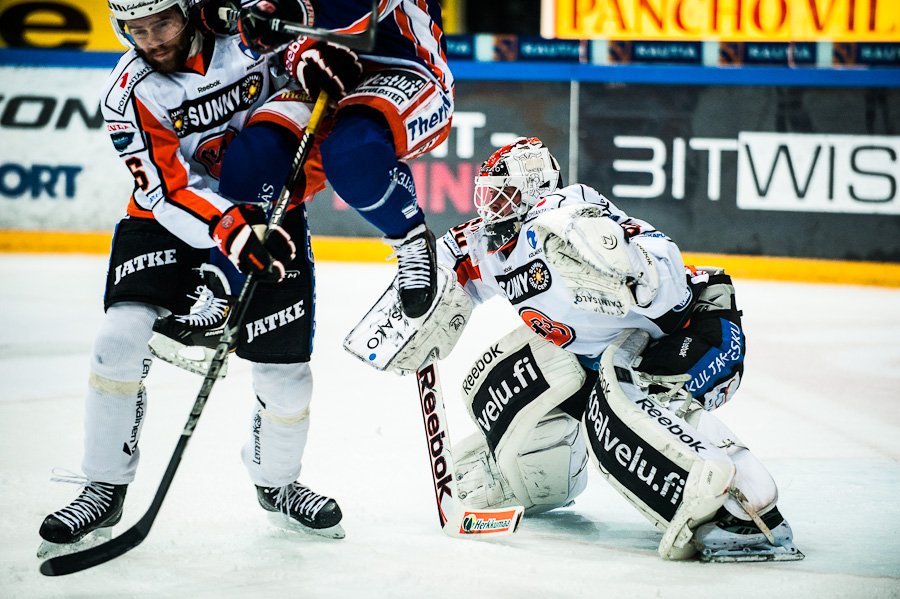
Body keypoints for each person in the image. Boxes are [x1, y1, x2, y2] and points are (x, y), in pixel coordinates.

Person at [349, 137, 804, 562]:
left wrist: (633, 271)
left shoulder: (572, 213)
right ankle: (522, 480)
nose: (491, 206)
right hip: (603, 356)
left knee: (623, 411)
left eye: (503, 195)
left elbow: (667, 281)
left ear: (534, 191)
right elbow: (447, 259)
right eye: (486, 195)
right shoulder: (494, 240)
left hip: (695, 335)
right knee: (503, 379)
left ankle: (742, 509)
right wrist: (415, 302)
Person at [38, 0, 344, 556]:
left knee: (286, 372)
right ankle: (103, 486)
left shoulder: (248, 35)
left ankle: (277, 483)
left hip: (266, 210)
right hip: (170, 220)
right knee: (117, 341)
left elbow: (306, 75)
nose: (151, 39)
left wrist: (310, 64)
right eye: (136, 28)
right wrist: (230, 230)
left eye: (164, 23)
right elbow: (165, 189)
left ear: (191, 10)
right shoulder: (129, 92)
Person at [234, 0, 453, 318]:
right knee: (253, 157)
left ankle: (409, 236)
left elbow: (356, 13)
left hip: (405, 65)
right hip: (317, 70)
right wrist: (301, 58)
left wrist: (296, 31)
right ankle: (231, 276)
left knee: (353, 155)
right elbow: (257, 30)